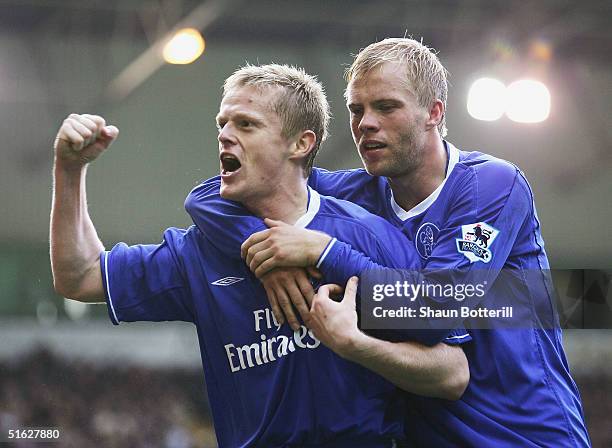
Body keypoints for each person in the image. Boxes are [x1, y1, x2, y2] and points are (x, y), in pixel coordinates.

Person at [186, 40, 592, 447]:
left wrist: (322, 250)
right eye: (356, 110)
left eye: (386, 107)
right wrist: (271, 254)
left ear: (434, 112)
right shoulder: (357, 193)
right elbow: (215, 194)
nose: (365, 123)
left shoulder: (491, 186)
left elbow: (440, 307)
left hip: (525, 434)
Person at [50, 64, 470, 448]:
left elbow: (451, 373)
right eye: (223, 123)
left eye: (247, 124)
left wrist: (355, 345)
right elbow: (80, 275)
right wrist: (70, 171)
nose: (225, 135)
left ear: (301, 144)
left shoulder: (371, 236)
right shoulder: (200, 252)